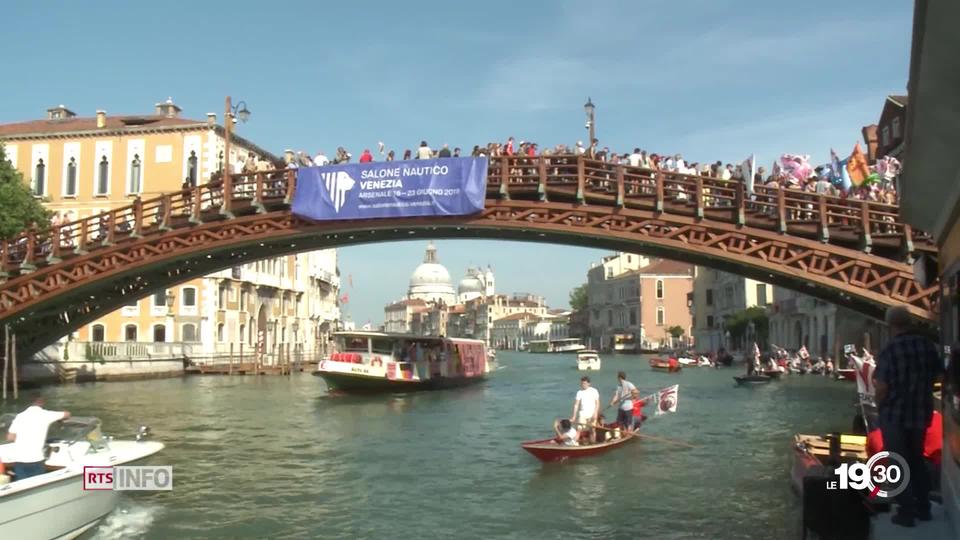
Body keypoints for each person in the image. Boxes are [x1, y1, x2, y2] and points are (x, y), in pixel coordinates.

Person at [873, 305, 943, 527]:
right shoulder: (927, 346)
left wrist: (879, 404)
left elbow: (882, 386)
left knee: (897, 462)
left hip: (895, 415)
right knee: (917, 460)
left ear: (890, 325)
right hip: (920, 413)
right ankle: (924, 508)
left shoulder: (889, 350)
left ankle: (906, 512)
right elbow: (939, 374)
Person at [5, 395, 70, 481]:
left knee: (22, 486)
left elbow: (10, 437)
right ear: (42, 402)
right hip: (36, 460)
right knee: (37, 484)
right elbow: (67, 414)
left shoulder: (20, 416)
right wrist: (61, 419)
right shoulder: (46, 414)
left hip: (20, 460)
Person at [570, 376, 600, 444]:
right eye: (582, 383)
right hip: (582, 414)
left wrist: (595, 414)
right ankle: (573, 444)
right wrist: (574, 416)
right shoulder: (579, 392)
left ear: (589, 383)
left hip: (592, 414)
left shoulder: (594, 391)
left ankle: (593, 444)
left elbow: (597, 403)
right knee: (579, 429)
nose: (583, 385)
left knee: (592, 430)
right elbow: (576, 405)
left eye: (584, 383)